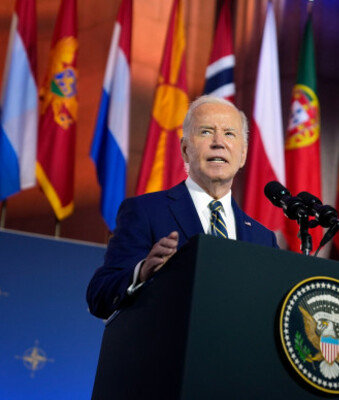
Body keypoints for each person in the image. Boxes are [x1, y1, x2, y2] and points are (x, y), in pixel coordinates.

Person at [87, 96, 278, 319]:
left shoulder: (263, 239)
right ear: (185, 149)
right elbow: (99, 296)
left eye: (229, 133)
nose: (219, 142)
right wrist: (142, 272)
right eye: (206, 132)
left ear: (243, 154)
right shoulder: (144, 212)